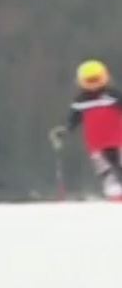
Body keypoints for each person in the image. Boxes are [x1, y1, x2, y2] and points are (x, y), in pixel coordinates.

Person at [54, 59, 122, 201]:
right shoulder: (80, 101)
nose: (93, 85)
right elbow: (74, 118)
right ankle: (116, 196)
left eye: (96, 80)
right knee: (106, 171)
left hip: (118, 139)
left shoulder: (113, 96)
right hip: (97, 143)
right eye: (89, 81)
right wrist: (66, 130)